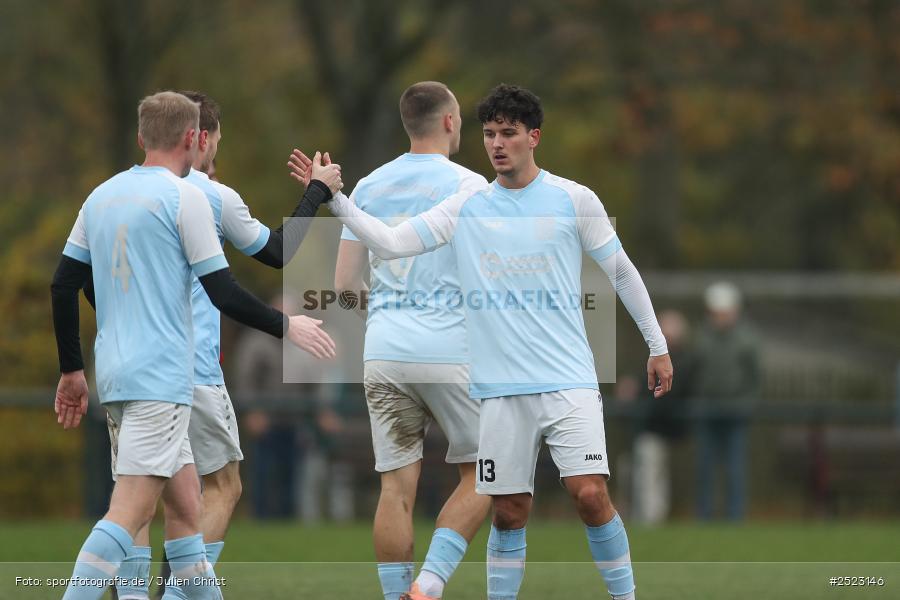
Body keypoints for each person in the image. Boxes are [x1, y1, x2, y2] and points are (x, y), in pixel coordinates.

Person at [293, 84, 673, 600]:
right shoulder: (466, 203)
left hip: (568, 381)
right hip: (499, 391)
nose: (496, 143)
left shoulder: (573, 199)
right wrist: (334, 198)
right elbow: (391, 242)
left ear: (534, 137)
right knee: (509, 510)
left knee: (588, 493)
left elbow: (622, 273)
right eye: (490, 133)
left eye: (508, 133)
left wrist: (656, 345)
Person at [50, 91, 336, 600]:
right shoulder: (190, 197)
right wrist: (287, 326)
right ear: (194, 138)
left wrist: (72, 370)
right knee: (132, 510)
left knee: (184, 510)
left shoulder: (101, 196)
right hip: (164, 378)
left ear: (140, 136)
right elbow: (226, 289)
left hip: (115, 374)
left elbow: (64, 285)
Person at [292, 81, 491, 600]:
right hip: (449, 349)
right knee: (489, 470)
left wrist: (383, 313)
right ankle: (428, 585)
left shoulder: (368, 186)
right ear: (449, 122)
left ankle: (395, 595)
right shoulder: (470, 185)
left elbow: (343, 284)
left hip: (384, 351)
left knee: (395, 489)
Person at [693, 282, 761, 521]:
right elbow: (695, 372)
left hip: (736, 413)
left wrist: (747, 404)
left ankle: (735, 517)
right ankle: (704, 516)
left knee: (735, 468)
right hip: (707, 412)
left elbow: (755, 377)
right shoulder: (701, 338)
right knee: (704, 467)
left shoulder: (747, 340)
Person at [630, 310, 693, 524]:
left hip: (671, 429)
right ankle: (650, 518)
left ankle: (655, 517)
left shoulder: (685, 361)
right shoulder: (650, 357)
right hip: (651, 427)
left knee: (656, 475)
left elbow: (672, 391)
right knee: (648, 473)